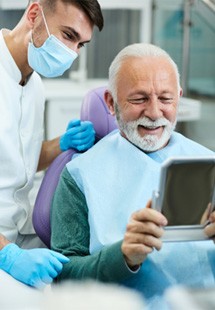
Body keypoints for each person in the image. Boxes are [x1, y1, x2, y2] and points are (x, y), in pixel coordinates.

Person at [51, 43, 215, 307]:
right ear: (110, 101)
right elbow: (63, 278)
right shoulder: (80, 175)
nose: (153, 113)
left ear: (179, 98)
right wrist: (122, 257)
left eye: (165, 99)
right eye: (139, 99)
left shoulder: (208, 163)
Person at [0, 0, 103, 288]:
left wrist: (62, 144)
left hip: (19, 232)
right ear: (34, 14)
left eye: (81, 44)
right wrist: (6, 255)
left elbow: (20, 160)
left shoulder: (34, 84)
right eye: (68, 36)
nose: (72, 53)